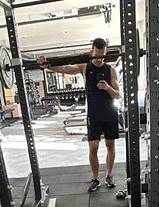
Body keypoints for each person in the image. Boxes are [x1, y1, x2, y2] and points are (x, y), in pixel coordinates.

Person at [38, 38, 120, 191]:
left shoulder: (111, 70)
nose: (99, 59)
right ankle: (95, 179)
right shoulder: (84, 67)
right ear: (91, 52)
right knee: (93, 148)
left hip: (110, 114)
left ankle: (109, 175)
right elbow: (64, 69)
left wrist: (108, 88)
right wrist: (47, 65)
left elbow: (117, 95)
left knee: (110, 145)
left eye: (102, 56)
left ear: (105, 54)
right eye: (97, 55)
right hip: (94, 115)